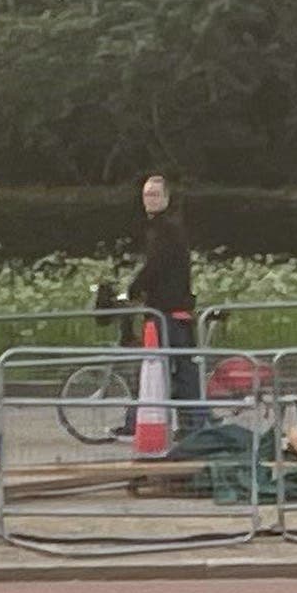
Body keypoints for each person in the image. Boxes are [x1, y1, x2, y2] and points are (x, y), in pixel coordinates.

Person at [128, 171, 198, 455]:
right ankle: (191, 422)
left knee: (173, 368)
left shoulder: (166, 230)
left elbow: (155, 266)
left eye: (155, 195)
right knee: (179, 369)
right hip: (170, 306)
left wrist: (134, 287)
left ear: (166, 198)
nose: (150, 200)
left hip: (168, 309)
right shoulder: (163, 228)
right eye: (146, 195)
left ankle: (192, 422)